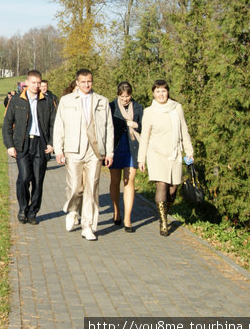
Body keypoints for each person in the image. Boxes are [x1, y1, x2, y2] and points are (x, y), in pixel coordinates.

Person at [53, 69, 114, 241]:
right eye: (83, 82)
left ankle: (88, 226)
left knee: (91, 189)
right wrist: (59, 150)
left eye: (89, 81)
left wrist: (109, 152)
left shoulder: (102, 101)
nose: (87, 85)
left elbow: (109, 128)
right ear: (77, 83)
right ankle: (73, 210)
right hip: (74, 149)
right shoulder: (66, 101)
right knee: (74, 187)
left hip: (95, 151)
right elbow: (59, 126)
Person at [137, 80, 193, 237]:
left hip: (174, 153)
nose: (161, 94)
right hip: (156, 154)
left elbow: (184, 130)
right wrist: (141, 159)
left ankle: (164, 210)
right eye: (158, 91)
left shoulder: (176, 108)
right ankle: (163, 222)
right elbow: (145, 137)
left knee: (173, 188)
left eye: (163, 91)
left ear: (167, 92)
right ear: (153, 94)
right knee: (161, 185)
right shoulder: (149, 112)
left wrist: (189, 150)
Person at [2, 70, 56, 225]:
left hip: (41, 144)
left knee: (38, 181)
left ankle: (33, 212)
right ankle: (23, 208)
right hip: (22, 144)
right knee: (24, 178)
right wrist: (9, 145)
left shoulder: (47, 101)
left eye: (39, 83)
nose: (36, 86)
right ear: (27, 83)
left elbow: (54, 124)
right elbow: (7, 124)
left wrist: (52, 143)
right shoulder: (17, 101)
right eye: (33, 83)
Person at [109, 82, 143, 233]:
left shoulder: (138, 107)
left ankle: (128, 219)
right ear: (118, 95)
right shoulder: (111, 106)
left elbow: (145, 126)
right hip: (116, 148)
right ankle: (116, 211)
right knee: (115, 181)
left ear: (131, 94)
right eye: (122, 96)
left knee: (129, 181)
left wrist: (136, 125)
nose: (125, 99)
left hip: (132, 147)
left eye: (127, 96)